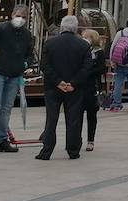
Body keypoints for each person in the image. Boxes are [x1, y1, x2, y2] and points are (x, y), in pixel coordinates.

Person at [0, 6, 33, 156]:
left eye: (23, 17)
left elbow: (29, 53)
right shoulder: (2, 28)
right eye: (18, 15)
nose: (20, 19)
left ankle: (2, 140)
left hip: (14, 74)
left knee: (7, 108)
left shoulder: (26, 35)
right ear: (12, 15)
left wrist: (25, 64)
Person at [38, 15, 89, 160]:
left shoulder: (49, 44)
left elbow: (44, 66)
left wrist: (58, 82)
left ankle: (46, 150)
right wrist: (73, 83)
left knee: (51, 119)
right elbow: (86, 67)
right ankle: (73, 150)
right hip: (74, 89)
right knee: (73, 119)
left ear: (61, 26)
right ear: (76, 28)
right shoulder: (83, 45)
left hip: (53, 88)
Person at [80, 29, 107, 152]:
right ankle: (77, 139)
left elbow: (102, 69)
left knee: (91, 115)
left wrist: (88, 72)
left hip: (93, 86)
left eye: (86, 37)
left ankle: (90, 141)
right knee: (77, 115)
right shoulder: (80, 50)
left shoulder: (99, 52)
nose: (83, 39)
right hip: (80, 86)